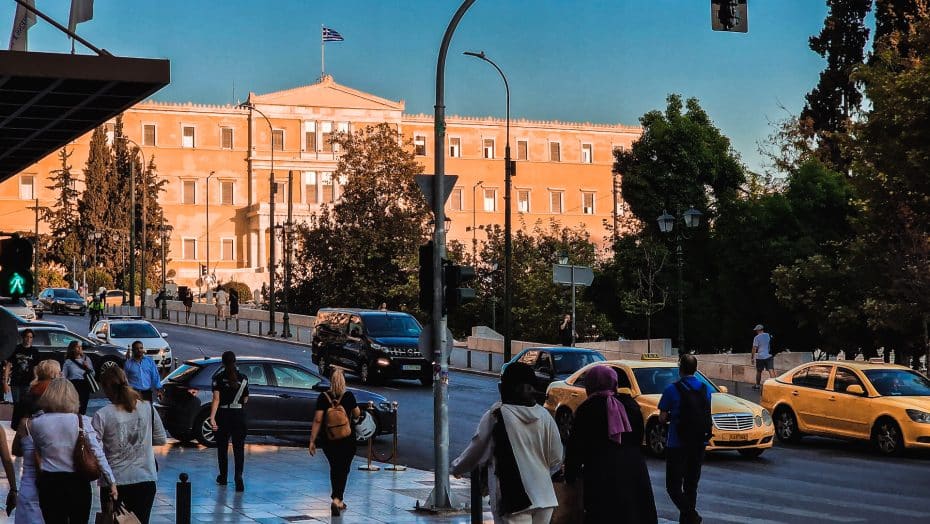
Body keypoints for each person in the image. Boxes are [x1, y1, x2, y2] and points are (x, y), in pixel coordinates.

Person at [451, 362, 563, 524]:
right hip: (545, 498)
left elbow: (477, 450)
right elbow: (556, 458)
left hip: (513, 499)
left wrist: (457, 467)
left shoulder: (496, 414)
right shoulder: (544, 415)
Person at [565, 366, 657, 524]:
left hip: (602, 474)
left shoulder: (587, 409)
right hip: (634, 471)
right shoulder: (631, 405)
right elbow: (638, 438)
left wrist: (570, 475)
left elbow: (576, 447)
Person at [30, 378, 118, 523]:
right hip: (78, 482)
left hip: (50, 483)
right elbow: (97, 452)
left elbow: (39, 450)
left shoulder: (37, 422)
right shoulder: (81, 420)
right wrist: (111, 481)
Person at [92, 367, 167, 524]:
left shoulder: (102, 414)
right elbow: (160, 439)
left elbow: (94, 447)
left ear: (106, 388)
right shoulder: (147, 407)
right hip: (145, 478)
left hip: (114, 481)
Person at [658, 355, 712, 524]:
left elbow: (662, 417)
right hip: (699, 442)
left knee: (673, 487)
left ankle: (691, 515)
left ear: (680, 368)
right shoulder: (706, 389)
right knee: (691, 485)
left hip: (677, 443)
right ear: (695, 369)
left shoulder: (672, 389)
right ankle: (688, 520)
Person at [11, 360, 59, 524]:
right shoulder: (60, 398)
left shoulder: (28, 394)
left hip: (29, 481)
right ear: (54, 374)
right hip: (55, 477)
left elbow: (16, 448)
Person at [308, 368, 359, 517]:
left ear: (331, 380)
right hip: (347, 440)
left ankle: (336, 498)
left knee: (335, 468)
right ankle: (337, 500)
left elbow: (318, 420)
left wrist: (312, 441)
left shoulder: (323, 397)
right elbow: (357, 414)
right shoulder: (349, 396)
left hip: (329, 440)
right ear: (344, 381)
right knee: (344, 469)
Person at [209, 351, 249, 492]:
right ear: (235, 361)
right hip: (239, 415)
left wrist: (212, 417)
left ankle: (223, 476)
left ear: (222, 362)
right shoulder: (243, 378)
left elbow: (216, 399)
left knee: (222, 448)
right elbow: (245, 399)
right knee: (239, 448)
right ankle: (238, 477)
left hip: (223, 415)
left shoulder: (218, 378)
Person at [4, 329, 39, 405]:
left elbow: (35, 367)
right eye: (27, 337)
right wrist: (5, 382)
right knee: (16, 404)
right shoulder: (16, 349)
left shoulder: (34, 351)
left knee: (25, 404)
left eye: (31, 337)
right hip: (16, 381)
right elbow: (8, 366)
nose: (28, 339)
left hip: (28, 382)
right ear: (23, 337)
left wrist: (36, 378)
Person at [62, 341, 95, 415]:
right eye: (77, 347)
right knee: (74, 407)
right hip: (73, 385)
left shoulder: (86, 359)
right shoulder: (68, 362)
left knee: (83, 407)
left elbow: (93, 374)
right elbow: (64, 376)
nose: (80, 348)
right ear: (73, 349)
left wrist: (87, 367)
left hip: (84, 385)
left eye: (80, 346)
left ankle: (81, 422)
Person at [751, 324, 775, 390]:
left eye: (756, 330)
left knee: (759, 371)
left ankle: (757, 385)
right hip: (769, 355)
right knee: (771, 370)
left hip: (760, 357)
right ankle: (775, 385)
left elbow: (754, 348)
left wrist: (752, 358)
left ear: (758, 330)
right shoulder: (768, 335)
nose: (756, 331)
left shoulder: (757, 337)